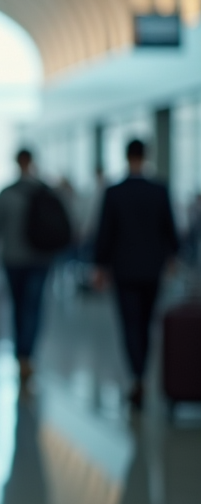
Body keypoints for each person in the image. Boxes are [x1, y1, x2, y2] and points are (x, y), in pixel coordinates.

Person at [92, 139, 179, 410]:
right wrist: (172, 257)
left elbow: (104, 232)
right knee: (146, 322)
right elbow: (170, 229)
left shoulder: (114, 192)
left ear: (126, 156)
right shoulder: (159, 190)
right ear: (146, 156)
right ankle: (142, 372)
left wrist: (100, 265)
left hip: (124, 268)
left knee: (130, 323)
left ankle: (137, 376)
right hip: (152, 268)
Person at [0, 149, 55, 384]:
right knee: (34, 306)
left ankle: (22, 355)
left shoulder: (7, 194)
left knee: (19, 307)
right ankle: (28, 355)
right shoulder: (45, 191)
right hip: (40, 259)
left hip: (13, 259)